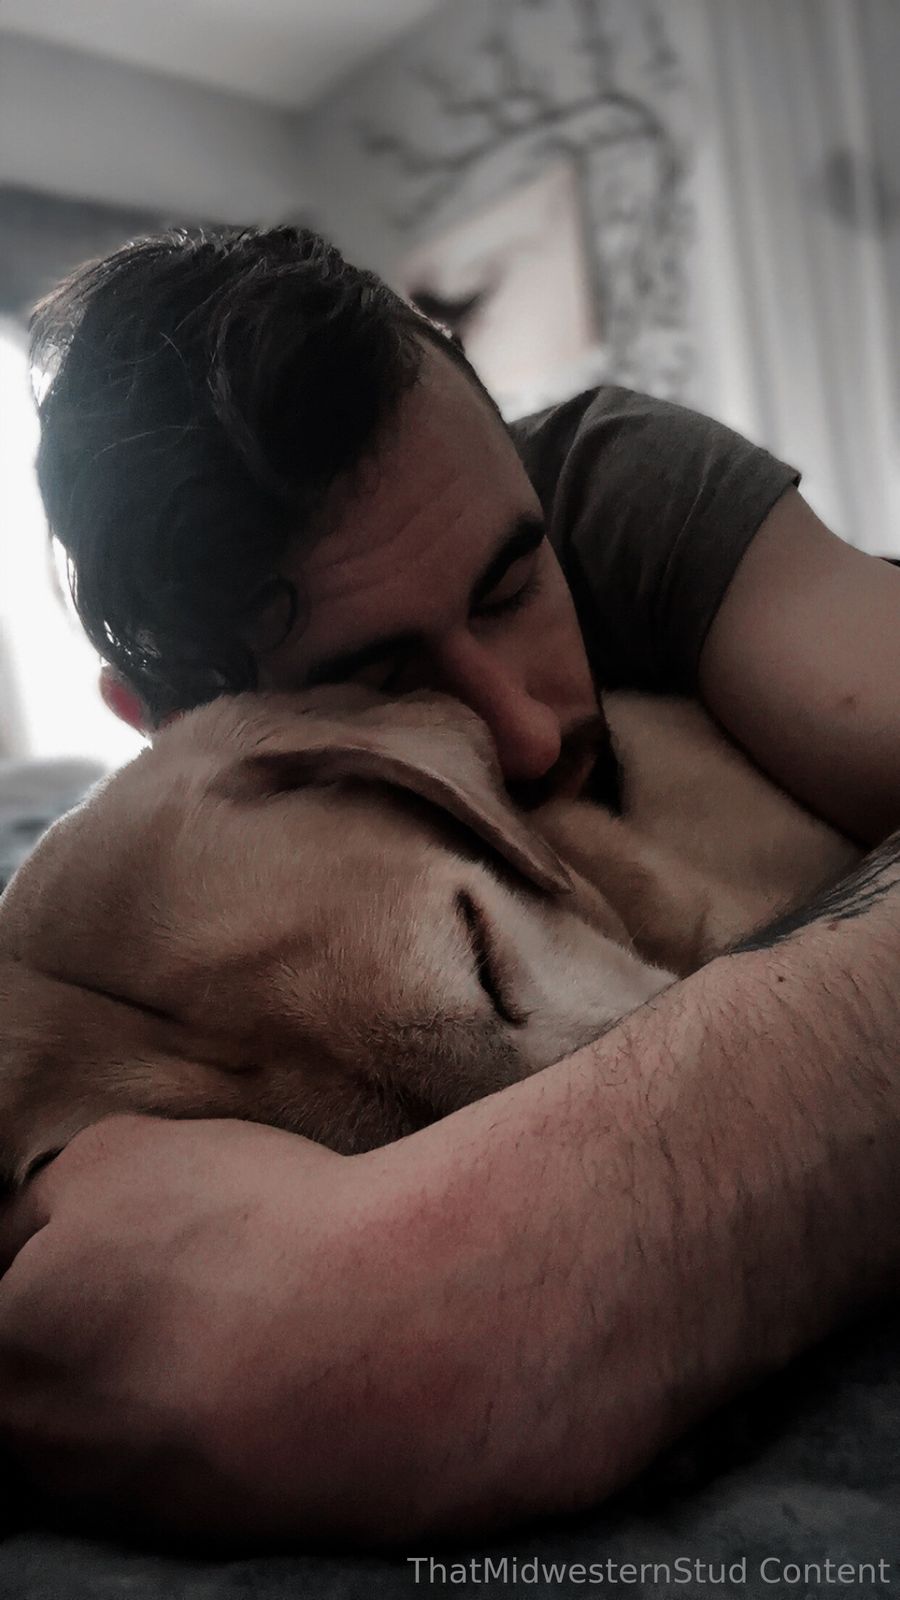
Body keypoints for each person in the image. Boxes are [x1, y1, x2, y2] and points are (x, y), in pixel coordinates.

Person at [0, 226, 897, 1547]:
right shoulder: (172, 885)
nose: (522, 739)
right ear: (168, 726)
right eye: (373, 684)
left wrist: (457, 1284)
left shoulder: (611, 482)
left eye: (514, 584)